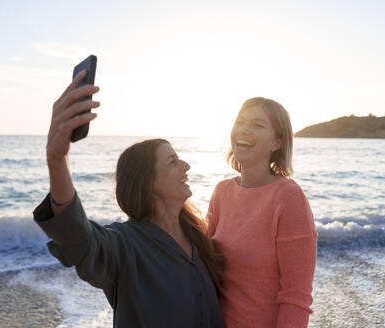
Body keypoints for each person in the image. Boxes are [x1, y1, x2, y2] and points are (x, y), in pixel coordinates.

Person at [33, 70, 224, 328]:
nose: (186, 166)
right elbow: (79, 241)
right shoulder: (124, 246)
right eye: (173, 161)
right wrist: (57, 159)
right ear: (148, 183)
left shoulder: (201, 237)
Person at [207, 97, 317, 328]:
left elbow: (296, 296)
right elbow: (201, 263)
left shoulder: (288, 197)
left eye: (257, 125)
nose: (244, 130)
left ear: (276, 142)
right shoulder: (221, 192)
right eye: (240, 122)